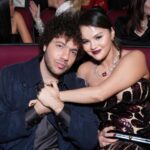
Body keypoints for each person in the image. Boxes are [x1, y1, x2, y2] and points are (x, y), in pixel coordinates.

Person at [37, 7, 150, 149]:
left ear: (112, 32)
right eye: (85, 41)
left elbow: (100, 94)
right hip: (109, 144)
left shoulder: (134, 57)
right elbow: (81, 115)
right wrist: (96, 135)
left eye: (98, 37)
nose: (93, 46)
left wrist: (54, 95)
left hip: (144, 139)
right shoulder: (84, 70)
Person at [0, 13, 99, 150]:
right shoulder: (10, 76)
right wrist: (36, 111)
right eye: (60, 45)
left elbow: (90, 140)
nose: (65, 57)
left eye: (73, 52)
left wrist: (58, 107)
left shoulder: (76, 85)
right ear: (45, 45)